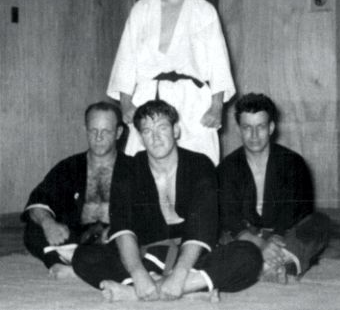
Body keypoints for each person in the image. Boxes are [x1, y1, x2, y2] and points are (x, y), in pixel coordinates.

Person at [72, 100, 262, 301]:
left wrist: (179, 276)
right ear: (141, 138)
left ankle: (138, 292)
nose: (155, 138)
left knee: (249, 255)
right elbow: (123, 227)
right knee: (84, 255)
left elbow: (203, 225)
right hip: (145, 256)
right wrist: (138, 273)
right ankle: (184, 288)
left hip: (193, 257)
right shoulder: (129, 169)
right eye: (147, 131)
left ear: (176, 130)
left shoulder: (199, 164)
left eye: (162, 128)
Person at [106, 0, 235, 165]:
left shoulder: (205, 11)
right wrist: (126, 104)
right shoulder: (141, 10)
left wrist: (216, 108)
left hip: (194, 102)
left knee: (199, 165)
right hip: (148, 97)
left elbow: (219, 63)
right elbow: (126, 59)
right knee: (142, 165)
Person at [217, 93, 330, 283]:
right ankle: (280, 264)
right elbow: (228, 215)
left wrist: (276, 236)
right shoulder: (227, 167)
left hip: (284, 234)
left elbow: (298, 209)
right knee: (216, 229)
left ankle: (268, 263)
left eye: (260, 127)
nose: (254, 136)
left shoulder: (293, 162)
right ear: (239, 129)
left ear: (271, 127)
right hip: (246, 234)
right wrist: (259, 242)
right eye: (247, 128)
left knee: (319, 223)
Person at [21, 101, 132, 279]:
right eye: (93, 130)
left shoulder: (133, 167)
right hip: (75, 237)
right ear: (85, 130)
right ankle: (58, 263)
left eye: (106, 131)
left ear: (118, 133)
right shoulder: (69, 166)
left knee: (133, 240)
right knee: (34, 228)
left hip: (114, 238)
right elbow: (38, 200)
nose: (98, 137)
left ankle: (75, 264)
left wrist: (115, 230)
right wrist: (48, 224)